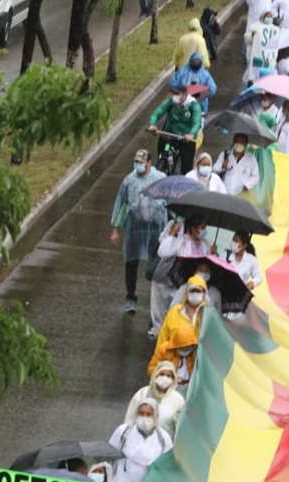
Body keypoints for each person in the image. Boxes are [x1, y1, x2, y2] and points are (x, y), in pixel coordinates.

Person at [110, 149, 168, 314]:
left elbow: (170, 202)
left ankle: (156, 301)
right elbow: (120, 203)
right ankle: (130, 297)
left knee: (156, 265)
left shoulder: (160, 179)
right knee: (131, 262)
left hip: (156, 229)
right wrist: (115, 228)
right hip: (134, 229)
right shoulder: (129, 180)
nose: (138, 165)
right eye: (136, 162)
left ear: (149, 162)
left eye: (141, 162)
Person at [151, 216, 210, 337]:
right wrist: (173, 233)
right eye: (202, 228)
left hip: (188, 287)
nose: (205, 231)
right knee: (163, 313)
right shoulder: (182, 241)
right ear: (193, 229)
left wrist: (213, 254)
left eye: (205, 227)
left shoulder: (206, 245)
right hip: (167, 282)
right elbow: (163, 251)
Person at [109, 398, 173, 482]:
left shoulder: (164, 438)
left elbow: (167, 466)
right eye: (141, 413)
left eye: (149, 414)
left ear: (156, 416)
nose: (144, 417)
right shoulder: (123, 432)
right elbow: (109, 455)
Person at [150, 284, 203, 383]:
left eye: (188, 347)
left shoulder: (195, 355)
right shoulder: (164, 350)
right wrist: (166, 377)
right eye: (182, 347)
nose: (185, 350)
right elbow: (152, 369)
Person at [148, 84, 201, 175]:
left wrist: (191, 134)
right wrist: (152, 124)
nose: (174, 96)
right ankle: (162, 164)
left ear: (185, 94)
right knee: (161, 153)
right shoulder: (171, 102)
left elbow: (197, 123)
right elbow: (157, 112)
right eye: (173, 93)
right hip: (169, 134)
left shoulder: (194, 105)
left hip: (186, 138)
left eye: (177, 94)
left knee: (186, 167)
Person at [125, 361, 187, 436]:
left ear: (173, 378)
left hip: (166, 444)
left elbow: (181, 428)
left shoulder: (178, 399)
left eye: (168, 376)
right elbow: (129, 419)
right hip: (139, 442)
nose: (164, 378)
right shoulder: (142, 393)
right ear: (155, 375)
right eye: (162, 374)